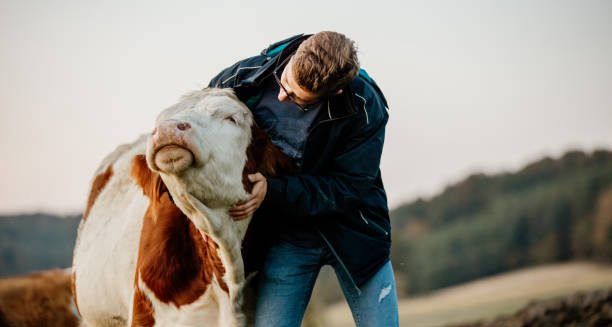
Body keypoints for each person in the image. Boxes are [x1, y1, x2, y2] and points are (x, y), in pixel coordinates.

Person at [208, 31, 398, 327]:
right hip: (288, 239)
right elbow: (203, 118)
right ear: (294, 56)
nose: (283, 95)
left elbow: (348, 188)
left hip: (356, 236)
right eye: (284, 82)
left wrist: (272, 192)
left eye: (297, 99)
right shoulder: (248, 75)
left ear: (335, 93)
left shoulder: (365, 105)